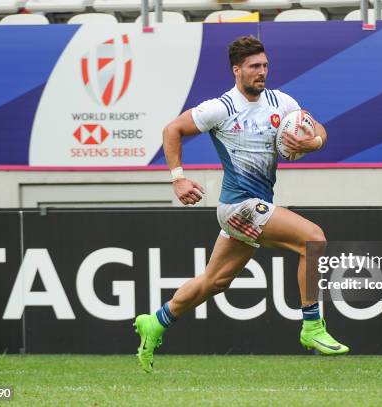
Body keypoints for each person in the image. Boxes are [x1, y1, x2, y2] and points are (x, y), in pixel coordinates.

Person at [133, 35, 349, 372]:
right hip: (238, 207)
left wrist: (314, 140)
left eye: (264, 65)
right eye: (254, 67)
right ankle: (312, 326)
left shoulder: (281, 102)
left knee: (214, 282)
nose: (261, 72)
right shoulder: (222, 108)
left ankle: (156, 322)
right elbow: (172, 129)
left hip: (255, 205)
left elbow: (316, 127)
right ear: (237, 70)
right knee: (313, 240)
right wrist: (178, 177)